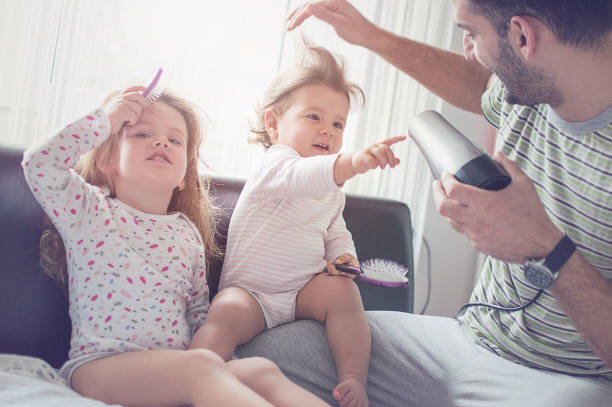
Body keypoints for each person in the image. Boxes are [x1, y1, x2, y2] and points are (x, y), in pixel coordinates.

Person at [235, 1, 612, 406]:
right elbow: (478, 84)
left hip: (561, 381)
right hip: (460, 340)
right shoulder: (526, 89)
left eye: (471, 34)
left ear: (523, 37)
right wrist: (370, 36)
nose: (469, 52)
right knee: (257, 356)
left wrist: (544, 248)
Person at [22, 86, 331, 407]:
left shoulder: (186, 234)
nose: (161, 142)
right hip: (100, 368)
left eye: (175, 140)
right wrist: (105, 120)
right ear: (105, 159)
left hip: (176, 369)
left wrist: (219, 368)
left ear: (185, 172)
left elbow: (197, 313)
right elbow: (39, 165)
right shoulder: (90, 211)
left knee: (259, 369)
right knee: (200, 367)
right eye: (142, 134)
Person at [190, 44, 404, 407]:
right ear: (274, 124)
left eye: (338, 124)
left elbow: (336, 229)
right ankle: (194, 374)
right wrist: (353, 162)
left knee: (343, 294)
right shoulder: (275, 166)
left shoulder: (330, 188)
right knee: (226, 308)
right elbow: (302, 177)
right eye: (314, 117)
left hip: (302, 292)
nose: (328, 131)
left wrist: (343, 255)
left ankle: (353, 377)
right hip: (252, 295)